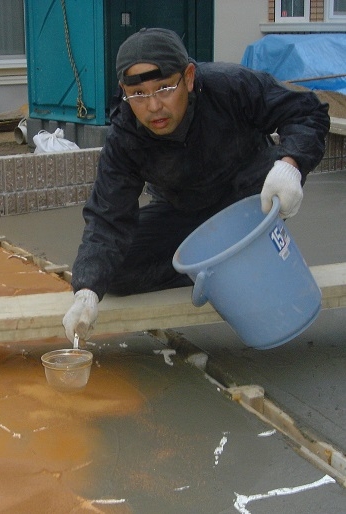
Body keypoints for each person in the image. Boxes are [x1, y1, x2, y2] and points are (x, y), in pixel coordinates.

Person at [62, 27, 330, 344]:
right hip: (184, 211)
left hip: (250, 200)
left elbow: (306, 110)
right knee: (114, 275)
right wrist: (86, 290)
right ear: (124, 90)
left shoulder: (230, 85)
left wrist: (291, 165)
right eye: (138, 94)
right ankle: (212, 268)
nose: (153, 106)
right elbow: (108, 216)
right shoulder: (126, 137)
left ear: (188, 77)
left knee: (267, 186)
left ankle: (239, 254)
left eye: (164, 88)